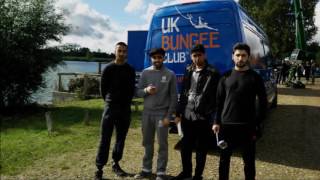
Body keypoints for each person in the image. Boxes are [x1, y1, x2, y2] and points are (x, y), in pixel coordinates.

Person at [212, 43, 267, 180]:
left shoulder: (255, 77)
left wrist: (258, 122)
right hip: (226, 126)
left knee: (249, 161)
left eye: (243, 55)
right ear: (232, 57)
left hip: (247, 126)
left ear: (248, 57)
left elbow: (263, 102)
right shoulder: (225, 77)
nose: (240, 58)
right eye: (237, 55)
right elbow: (219, 102)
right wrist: (216, 121)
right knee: (224, 160)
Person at [173, 44, 220, 180]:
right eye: (194, 55)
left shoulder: (213, 72)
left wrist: (214, 117)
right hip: (187, 115)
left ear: (204, 55)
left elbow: (217, 98)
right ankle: (186, 172)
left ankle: (197, 175)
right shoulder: (188, 69)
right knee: (185, 147)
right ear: (190, 56)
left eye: (199, 55)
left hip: (203, 117)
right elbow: (183, 92)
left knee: (201, 149)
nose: (197, 58)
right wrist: (178, 113)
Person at [95, 42, 136, 180]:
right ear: (115, 52)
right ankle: (99, 169)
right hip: (110, 108)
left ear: (127, 53)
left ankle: (116, 163)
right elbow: (103, 90)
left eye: (124, 51)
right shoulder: (108, 69)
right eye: (120, 51)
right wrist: (109, 101)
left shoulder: (130, 70)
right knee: (104, 138)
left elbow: (131, 89)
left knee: (120, 139)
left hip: (125, 109)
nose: (122, 53)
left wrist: (126, 103)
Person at [134, 48, 177, 180]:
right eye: (154, 58)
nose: (157, 60)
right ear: (151, 58)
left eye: (159, 57)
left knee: (162, 144)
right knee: (147, 142)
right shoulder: (145, 73)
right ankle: (146, 170)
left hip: (161, 114)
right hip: (147, 113)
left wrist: (168, 117)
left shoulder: (170, 74)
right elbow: (137, 92)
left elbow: (174, 97)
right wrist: (146, 90)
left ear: (164, 58)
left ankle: (161, 172)